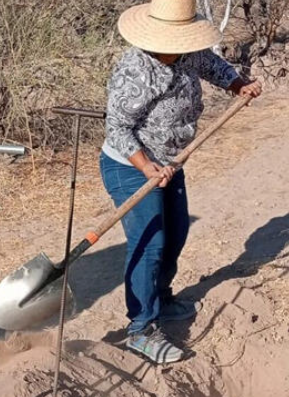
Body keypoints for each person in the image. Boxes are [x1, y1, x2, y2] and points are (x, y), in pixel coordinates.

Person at [101, 0, 263, 364]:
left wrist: (238, 84)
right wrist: (146, 168)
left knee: (176, 234)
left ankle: (161, 297)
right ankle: (140, 328)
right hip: (130, 166)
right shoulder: (134, 71)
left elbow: (214, 66)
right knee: (150, 244)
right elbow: (118, 128)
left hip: (171, 163)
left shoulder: (188, 53)